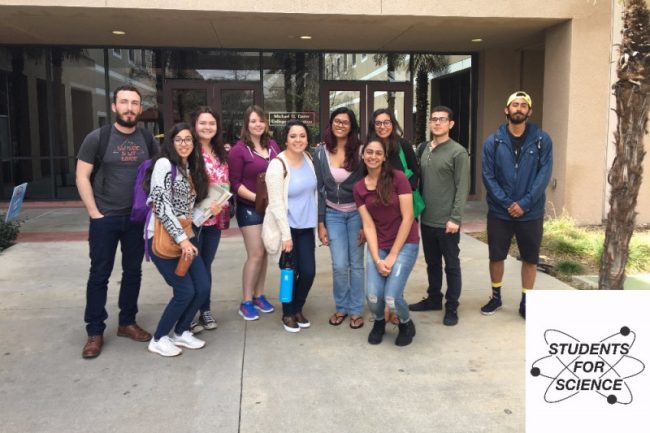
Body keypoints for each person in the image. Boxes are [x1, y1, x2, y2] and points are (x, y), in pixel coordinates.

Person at [76, 85, 156, 359]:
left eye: (134, 103)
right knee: (99, 274)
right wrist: (94, 212)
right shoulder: (98, 138)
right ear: (114, 106)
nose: (129, 108)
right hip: (105, 218)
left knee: (133, 272)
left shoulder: (147, 139)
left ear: (140, 108)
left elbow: (159, 172)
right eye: (124, 102)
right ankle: (94, 331)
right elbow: (81, 176)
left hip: (136, 218)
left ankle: (127, 322)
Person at [480, 91, 553, 319]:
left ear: (529, 111)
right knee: (496, 256)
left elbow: (544, 175)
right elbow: (487, 176)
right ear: (507, 109)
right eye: (514, 105)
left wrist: (524, 203)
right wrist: (506, 202)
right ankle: (496, 297)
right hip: (499, 212)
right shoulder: (493, 141)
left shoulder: (542, 140)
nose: (518, 108)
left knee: (530, 259)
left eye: (523, 105)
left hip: (530, 212)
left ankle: (526, 301)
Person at [145, 123, 211, 357]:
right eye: (179, 139)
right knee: (184, 291)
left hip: (185, 238)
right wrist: (183, 240)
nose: (184, 144)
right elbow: (161, 205)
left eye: (188, 140)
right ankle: (159, 338)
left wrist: (208, 211)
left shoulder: (187, 168)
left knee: (202, 287)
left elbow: (185, 211)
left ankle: (181, 331)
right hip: (163, 238)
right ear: (171, 143)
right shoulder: (164, 164)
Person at [354, 139, 419, 347]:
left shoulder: (398, 178)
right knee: (373, 296)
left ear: (384, 157)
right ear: (363, 156)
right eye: (369, 152)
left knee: (391, 297)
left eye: (378, 153)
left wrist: (392, 255)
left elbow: (408, 217)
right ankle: (379, 322)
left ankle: (406, 323)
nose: (373, 156)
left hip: (405, 242)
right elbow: (368, 226)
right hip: (379, 245)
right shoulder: (359, 188)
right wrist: (376, 259)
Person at [409, 106, 470, 326]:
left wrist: (455, 218)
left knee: (451, 265)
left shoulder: (458, 152)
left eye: (442, 119)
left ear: (450, 124)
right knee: (432, 263)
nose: (437, 123)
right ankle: (434, 298)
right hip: (427, 219)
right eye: (434, 119)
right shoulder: (424, 149)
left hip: (447, 222)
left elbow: (462, 188)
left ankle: (451, 306)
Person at [314, 108, 366, 329]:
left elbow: (368, 188)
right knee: (339, 265)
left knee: (356, 265)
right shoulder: (320, 152)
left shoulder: (362, 152)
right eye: (337, 121)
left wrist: (366, 224)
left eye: (345, 122)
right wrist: (321, 223)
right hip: (333, 214)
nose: (341, 125)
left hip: (357, 214)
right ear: (331, 123)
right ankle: (342, 307)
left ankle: (356, 309)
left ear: (352, 126)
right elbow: (319, 190)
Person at [264, 120, 318, 333]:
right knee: (289, 273)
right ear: (285, 139)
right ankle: (288, 313)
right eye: (293, 136)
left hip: (306, 227)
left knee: (308, 272)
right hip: (287, 229)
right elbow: (276, 204)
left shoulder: (309, 159)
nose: (298, 140)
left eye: (302, 136)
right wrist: (286, 236)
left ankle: (297, 307)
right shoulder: (277, 165)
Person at [228, 105, 280, 320]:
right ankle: (246, 301)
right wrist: (257, 199)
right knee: (256, 253)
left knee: (265, 251)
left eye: (261, 120)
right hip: (250, 208)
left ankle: (259, 295)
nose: (258, 124)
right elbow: (235, 183)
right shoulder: (238, 150)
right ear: (246, 124)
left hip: (271, 208)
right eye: (253, 121)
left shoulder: (273, 146)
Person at [188, 107, 229, 334]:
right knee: (193, 267)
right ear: (195, 125)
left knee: (206, 265)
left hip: (214, 219)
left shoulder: (219, 151)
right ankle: (189, 313)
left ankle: (205, 309)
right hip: (194, 220)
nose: (207, 127)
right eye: (203, 123)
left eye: (212, 123)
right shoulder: (189, 150)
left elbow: (225, 180)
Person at [367, 108, 420, 191]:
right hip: (376, 195)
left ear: (393, 124)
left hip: (403, 195)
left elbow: (415, 172)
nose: (382, 126)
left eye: (386, 122)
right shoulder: (369, 147)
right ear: (373, 126)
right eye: (378, 123)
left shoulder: (404, 145)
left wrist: (406, 191)